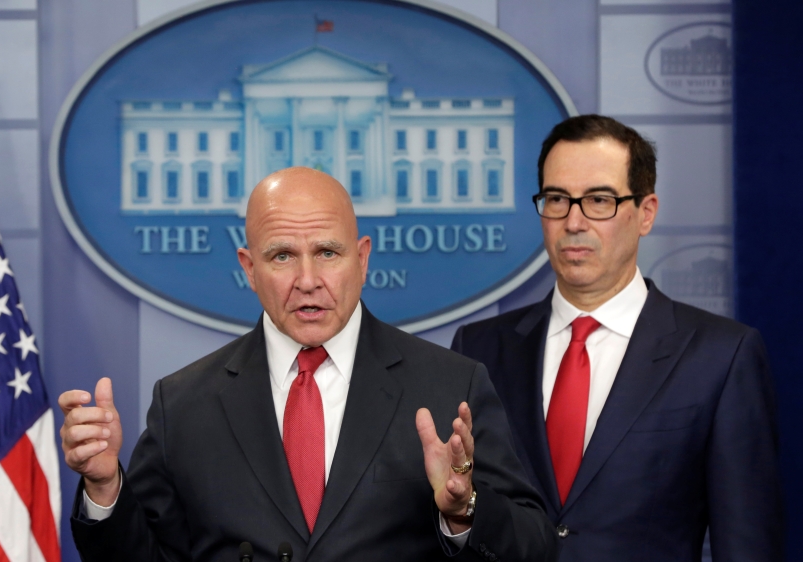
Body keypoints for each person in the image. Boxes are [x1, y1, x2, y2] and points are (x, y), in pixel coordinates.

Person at [59, 167, 556, 561]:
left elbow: (534, 545)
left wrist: (464, 511)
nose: (308, 279)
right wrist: (105, 488)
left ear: (362, 260)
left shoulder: (449, 385)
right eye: (281, 256)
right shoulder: (183, 404)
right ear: (249, 269)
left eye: (327, 252)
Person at [451, 115, 783, 561]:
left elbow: (747, 543)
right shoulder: (479, 348)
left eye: (599, 200)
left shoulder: (720, 356)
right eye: (557, 199)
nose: (573, 221)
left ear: (645, 213)